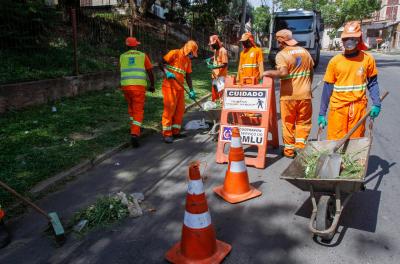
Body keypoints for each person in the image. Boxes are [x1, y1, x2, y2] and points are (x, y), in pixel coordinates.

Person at [318, 21, 381, 140]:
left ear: (359, 39)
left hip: (358, 109)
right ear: (342, 40)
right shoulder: (335, 62)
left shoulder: (367, 59)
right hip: (338, 109)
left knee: (355, 143)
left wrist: (377, 103)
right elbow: (327, 89)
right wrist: (322, 113)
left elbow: (373, 83)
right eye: (346, 38)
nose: (349, 41)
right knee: (335, 143)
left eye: (353, 38)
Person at [263, 29, 314, 158]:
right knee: (303, 122)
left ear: (281, 41)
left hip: (289, 96)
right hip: (305, 94)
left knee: (288, 123)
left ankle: (289, 151)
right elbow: (311, 71)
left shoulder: (282, 54)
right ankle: (301, 148)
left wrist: (267, 73)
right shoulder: (305, 52)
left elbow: (283, 73)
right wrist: (308, 86)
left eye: (277, 41)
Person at [159, 40, 198, 143]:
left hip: (180, 88)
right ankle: (166, 134)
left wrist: (191, 90)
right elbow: (160, 63)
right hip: (169, 86)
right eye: (191, 54)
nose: (192, 56)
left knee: (180, 110)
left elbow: (188, 75)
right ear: (188, 50)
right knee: (169, 109)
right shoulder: (174, 53)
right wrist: (167, 72)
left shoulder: (188, 61)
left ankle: (175, 132)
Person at [120, 37, 155, 148]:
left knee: (131, 108)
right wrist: (152, 85)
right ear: (136, 45)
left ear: (127, 46)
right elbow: (150, 71)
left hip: (126, 87)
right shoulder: (142, 55)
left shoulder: (122, 56)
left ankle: (135, 126)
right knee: (138, 110)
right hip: (138, 87)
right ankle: (135, 133)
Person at [206, 35, 228, 102]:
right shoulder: (216, 50)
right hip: (215, 74)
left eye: (213, 44)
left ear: (216, 43)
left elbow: (225, 64)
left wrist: (214, 67)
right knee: (215, 88)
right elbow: (216, 56)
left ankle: (223, 103)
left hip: (221, 74)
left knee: (221, 89)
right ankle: (216, 100)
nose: (211, 46)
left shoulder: (223, 51)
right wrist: (210, 58)